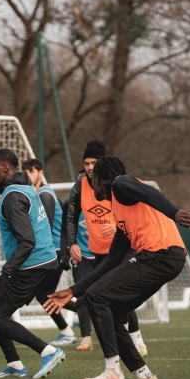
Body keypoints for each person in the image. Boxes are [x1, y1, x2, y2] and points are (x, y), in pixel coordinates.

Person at [45, 157, 190, 379]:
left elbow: (149, 192)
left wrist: (174, 212)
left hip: (160, 254)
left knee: (97, 296)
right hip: (166, 258)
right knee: (111, 310)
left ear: (100, 179)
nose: (90, 185)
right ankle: (145, 377)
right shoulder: (120, 209)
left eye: (92, 179)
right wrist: (73, 291)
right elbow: (111, 261)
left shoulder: (120, 184)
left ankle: (112, 373)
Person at [0, 148, 66, 379]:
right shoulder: (24, 186)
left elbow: (27, 241)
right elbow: (23, 210)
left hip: (32, 264)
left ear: (5, 168)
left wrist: (4, 275)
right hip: (42, 260)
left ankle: (48, 351)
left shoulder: (13, 195)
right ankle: (15, 365)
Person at [66, 141, 146, 355]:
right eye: (86, 163)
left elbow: (133, 212)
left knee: (122, 296)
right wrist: (72, 242)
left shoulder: (117, 183)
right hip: (98, 253)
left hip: (122, 250)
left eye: (94, 162)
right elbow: (71, 217)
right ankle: (105, 343)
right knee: (98, 297)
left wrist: (117, 227)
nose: (90, 167)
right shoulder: (80, 185)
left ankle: (137, 341)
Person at [21, 158, 82, 346]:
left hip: (54, 252)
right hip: (51, 251)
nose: (28, 175)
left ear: (40, 173)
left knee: (44, 295)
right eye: (25, 172)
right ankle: (79, 320)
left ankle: (74, 326)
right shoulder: (38, 195)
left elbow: (44, 227)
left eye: (31, 171)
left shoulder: (45, 194)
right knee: (45, 295)